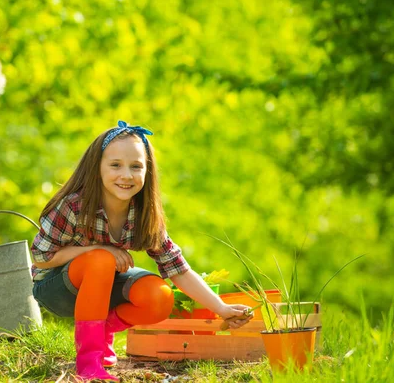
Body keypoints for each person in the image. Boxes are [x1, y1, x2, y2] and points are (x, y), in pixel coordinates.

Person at [30, 121, 252, 382]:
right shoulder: (74, 206)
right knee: (101, 259)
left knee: (159, 296)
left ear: (148, 171)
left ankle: (102, 332)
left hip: (102, 285)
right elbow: (41, 257)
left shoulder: (144, 212)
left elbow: (178, 269)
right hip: (56, 289)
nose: (126, 175)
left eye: (136, 166)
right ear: (97, 167)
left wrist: (221, 308)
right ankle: (89, 363)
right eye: (115, 165)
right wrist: (98, 249)